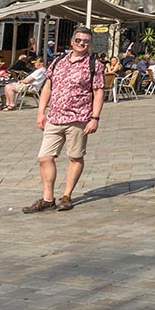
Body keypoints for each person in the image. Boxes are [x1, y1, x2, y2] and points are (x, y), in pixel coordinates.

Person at [24, 29, 105, 213]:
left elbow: (98, 91)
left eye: (85, 41)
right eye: (78, 39)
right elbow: (48, 86)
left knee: (75, 156)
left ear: (89, 44)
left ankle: (67, 195)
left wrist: (95, 118)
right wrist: (40, 112)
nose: (81, 43)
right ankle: (47, 198)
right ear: (71, 41)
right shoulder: (59, 61)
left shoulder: (94, 64)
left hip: (79, 117)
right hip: (54, 117)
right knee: (44, 158)